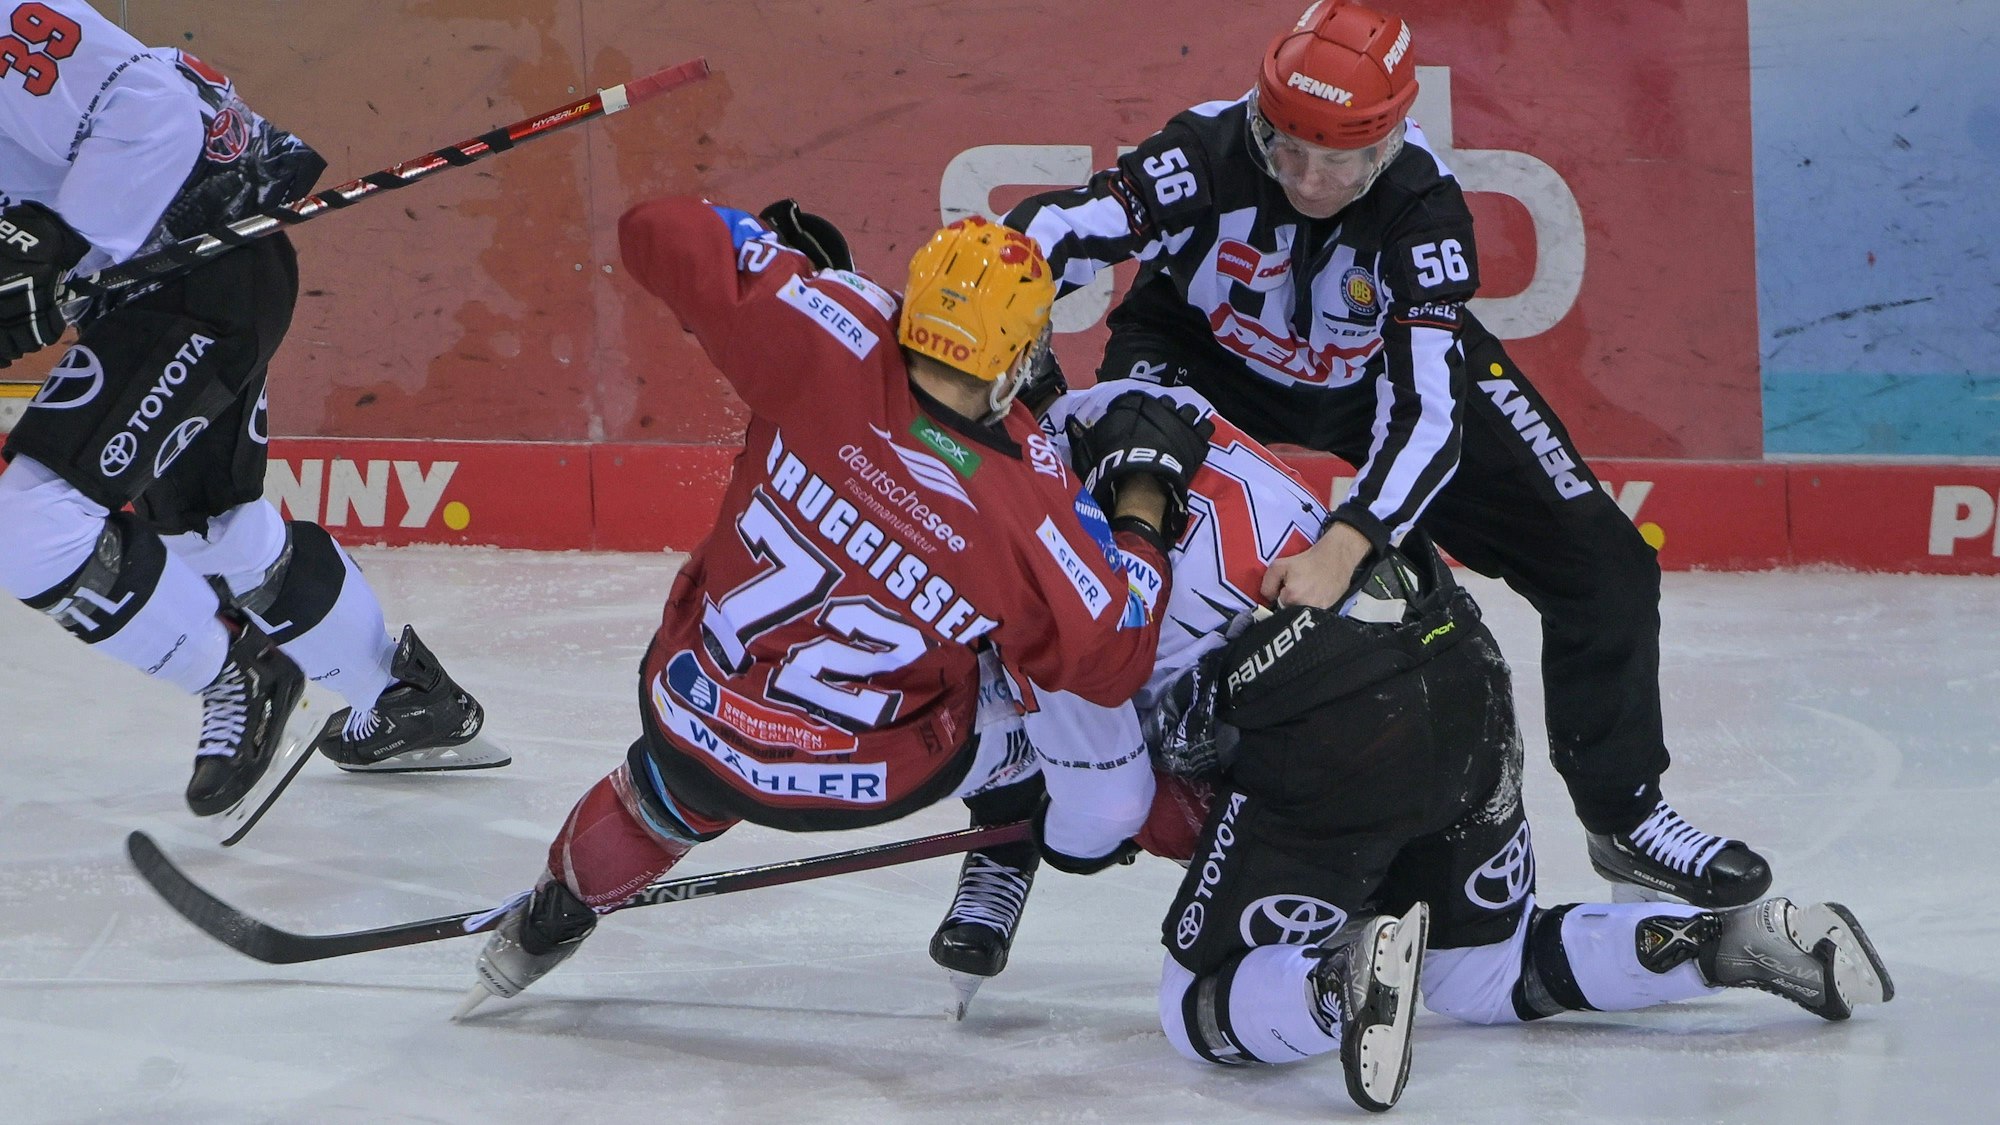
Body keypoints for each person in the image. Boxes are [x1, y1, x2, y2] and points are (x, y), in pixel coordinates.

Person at [936, 375, 1891, 1112]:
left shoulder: (1023, 561)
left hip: (1336, 732)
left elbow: (1100, 809)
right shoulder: (1138, 401)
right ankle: (1729, 944)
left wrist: (1063, 832)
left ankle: (1336, 978)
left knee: (1197, 1008)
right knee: (1481, 966)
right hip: (1454, 659)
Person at [1002, 0, 1769, 908]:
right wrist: (1004, 298)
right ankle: (1053, 794)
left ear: (1393, 142)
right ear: (1259, 118)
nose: (1313, 181)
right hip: (1202, 359)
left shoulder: (1425, 211)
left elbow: (1428, 412)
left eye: (1346, 161)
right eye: (1288, 150)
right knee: (1112, 546)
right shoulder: (1201, 155)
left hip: (1376, 384)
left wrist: (1350, 537)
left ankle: (1627, 813)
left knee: (1603, 564)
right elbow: (1057, 228)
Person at [455, 198, 1216, 1015]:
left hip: (693, 712)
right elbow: (1114, 657)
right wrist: (1140, 513)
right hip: (863, 774)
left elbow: (655, 228)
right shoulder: (1029, 507)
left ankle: (547, 921)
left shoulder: (826, 330)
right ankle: (1028, 823)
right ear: (1017, 357)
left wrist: (780, 261)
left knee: (666, 787)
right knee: (1059, 720)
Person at [0, 1, 498, 830]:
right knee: (207, 526)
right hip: (165, 291)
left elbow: (151, 101)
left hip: (201, 278)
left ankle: (233, 670)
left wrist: (58, 234)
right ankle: (406, 699)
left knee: (27, 519)